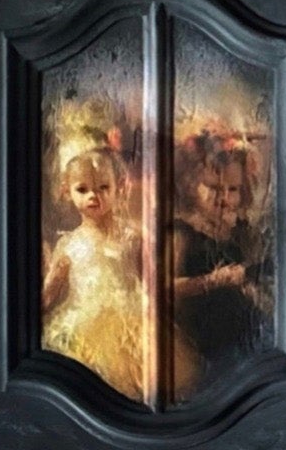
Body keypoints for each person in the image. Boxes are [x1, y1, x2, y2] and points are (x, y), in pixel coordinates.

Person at [169, 135, 270, 399]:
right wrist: (214, 281)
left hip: (240, 334)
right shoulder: (182, 231)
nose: (224, 198)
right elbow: (162, 289)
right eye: (213, 188)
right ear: (192, 186)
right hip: (200, 338)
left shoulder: (241, 230)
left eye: (233, 189)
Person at [41, 146, 145, 402]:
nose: (93, 196)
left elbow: (147, 283)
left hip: (128, 329)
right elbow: (49, 294)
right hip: (83, 327)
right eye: (83, 189)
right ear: (67, 191)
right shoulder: (68, 244)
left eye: (102, 188)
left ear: (118, 188)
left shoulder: (132, 237)